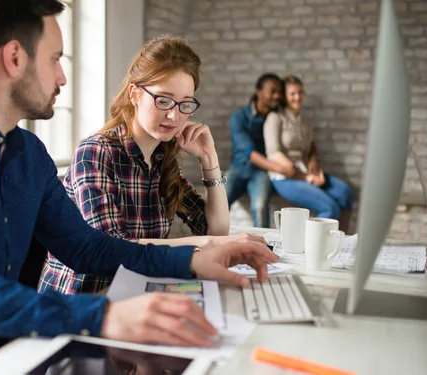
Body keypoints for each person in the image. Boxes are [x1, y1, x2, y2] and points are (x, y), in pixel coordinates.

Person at [0, 1, 277, 374]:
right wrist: (104, 314)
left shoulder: (29, 154)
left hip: (11, 351)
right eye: (55, 59)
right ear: (14, 57)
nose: (63, 78)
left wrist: (193, 261)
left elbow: (88, 248)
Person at [40, 36, 263, 295]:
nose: (174, 115)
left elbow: (215, 228)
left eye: (185, 104)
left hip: (135, 293)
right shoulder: (96, 152)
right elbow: (111, 247)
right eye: (164, 100)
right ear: (135, 95)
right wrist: (208, 245)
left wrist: (209, 161)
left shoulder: (160, 158)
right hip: (82, 300)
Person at [263, 75, 353, 230]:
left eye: (300, 93)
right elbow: (274, 153)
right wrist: (306, 177)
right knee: (330, 208)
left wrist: (316, 169)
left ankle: (342, 240)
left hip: (306, 172)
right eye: (292, 94)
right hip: (285, 177)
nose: (297, 97)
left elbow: (311, 148)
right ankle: (305, 244)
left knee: (346, 193)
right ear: (284, 96)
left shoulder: (305, 121)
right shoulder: (275, 118)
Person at [226, 73, 296, 228]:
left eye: (279, 92)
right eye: (272, 91)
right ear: (259, 92)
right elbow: (249, 153)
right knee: (220, 201)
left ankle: (263, 246)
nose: (277, 96)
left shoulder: (277, 118)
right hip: (238, 168)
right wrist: (282, 169)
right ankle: (209, 240)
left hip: (261, 172)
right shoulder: (240, 117)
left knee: (260, 206)